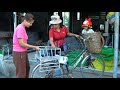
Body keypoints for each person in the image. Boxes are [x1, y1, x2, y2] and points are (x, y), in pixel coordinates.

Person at [12, 13, 40, 78]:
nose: (31, 25)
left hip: (23, 52)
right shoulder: (20, 28)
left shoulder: (22, 28)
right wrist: (34, 47)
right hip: (19, 53)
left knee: (27, 68)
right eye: (30, 23)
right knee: (21, 73)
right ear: (25, 20)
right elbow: (21, 43)